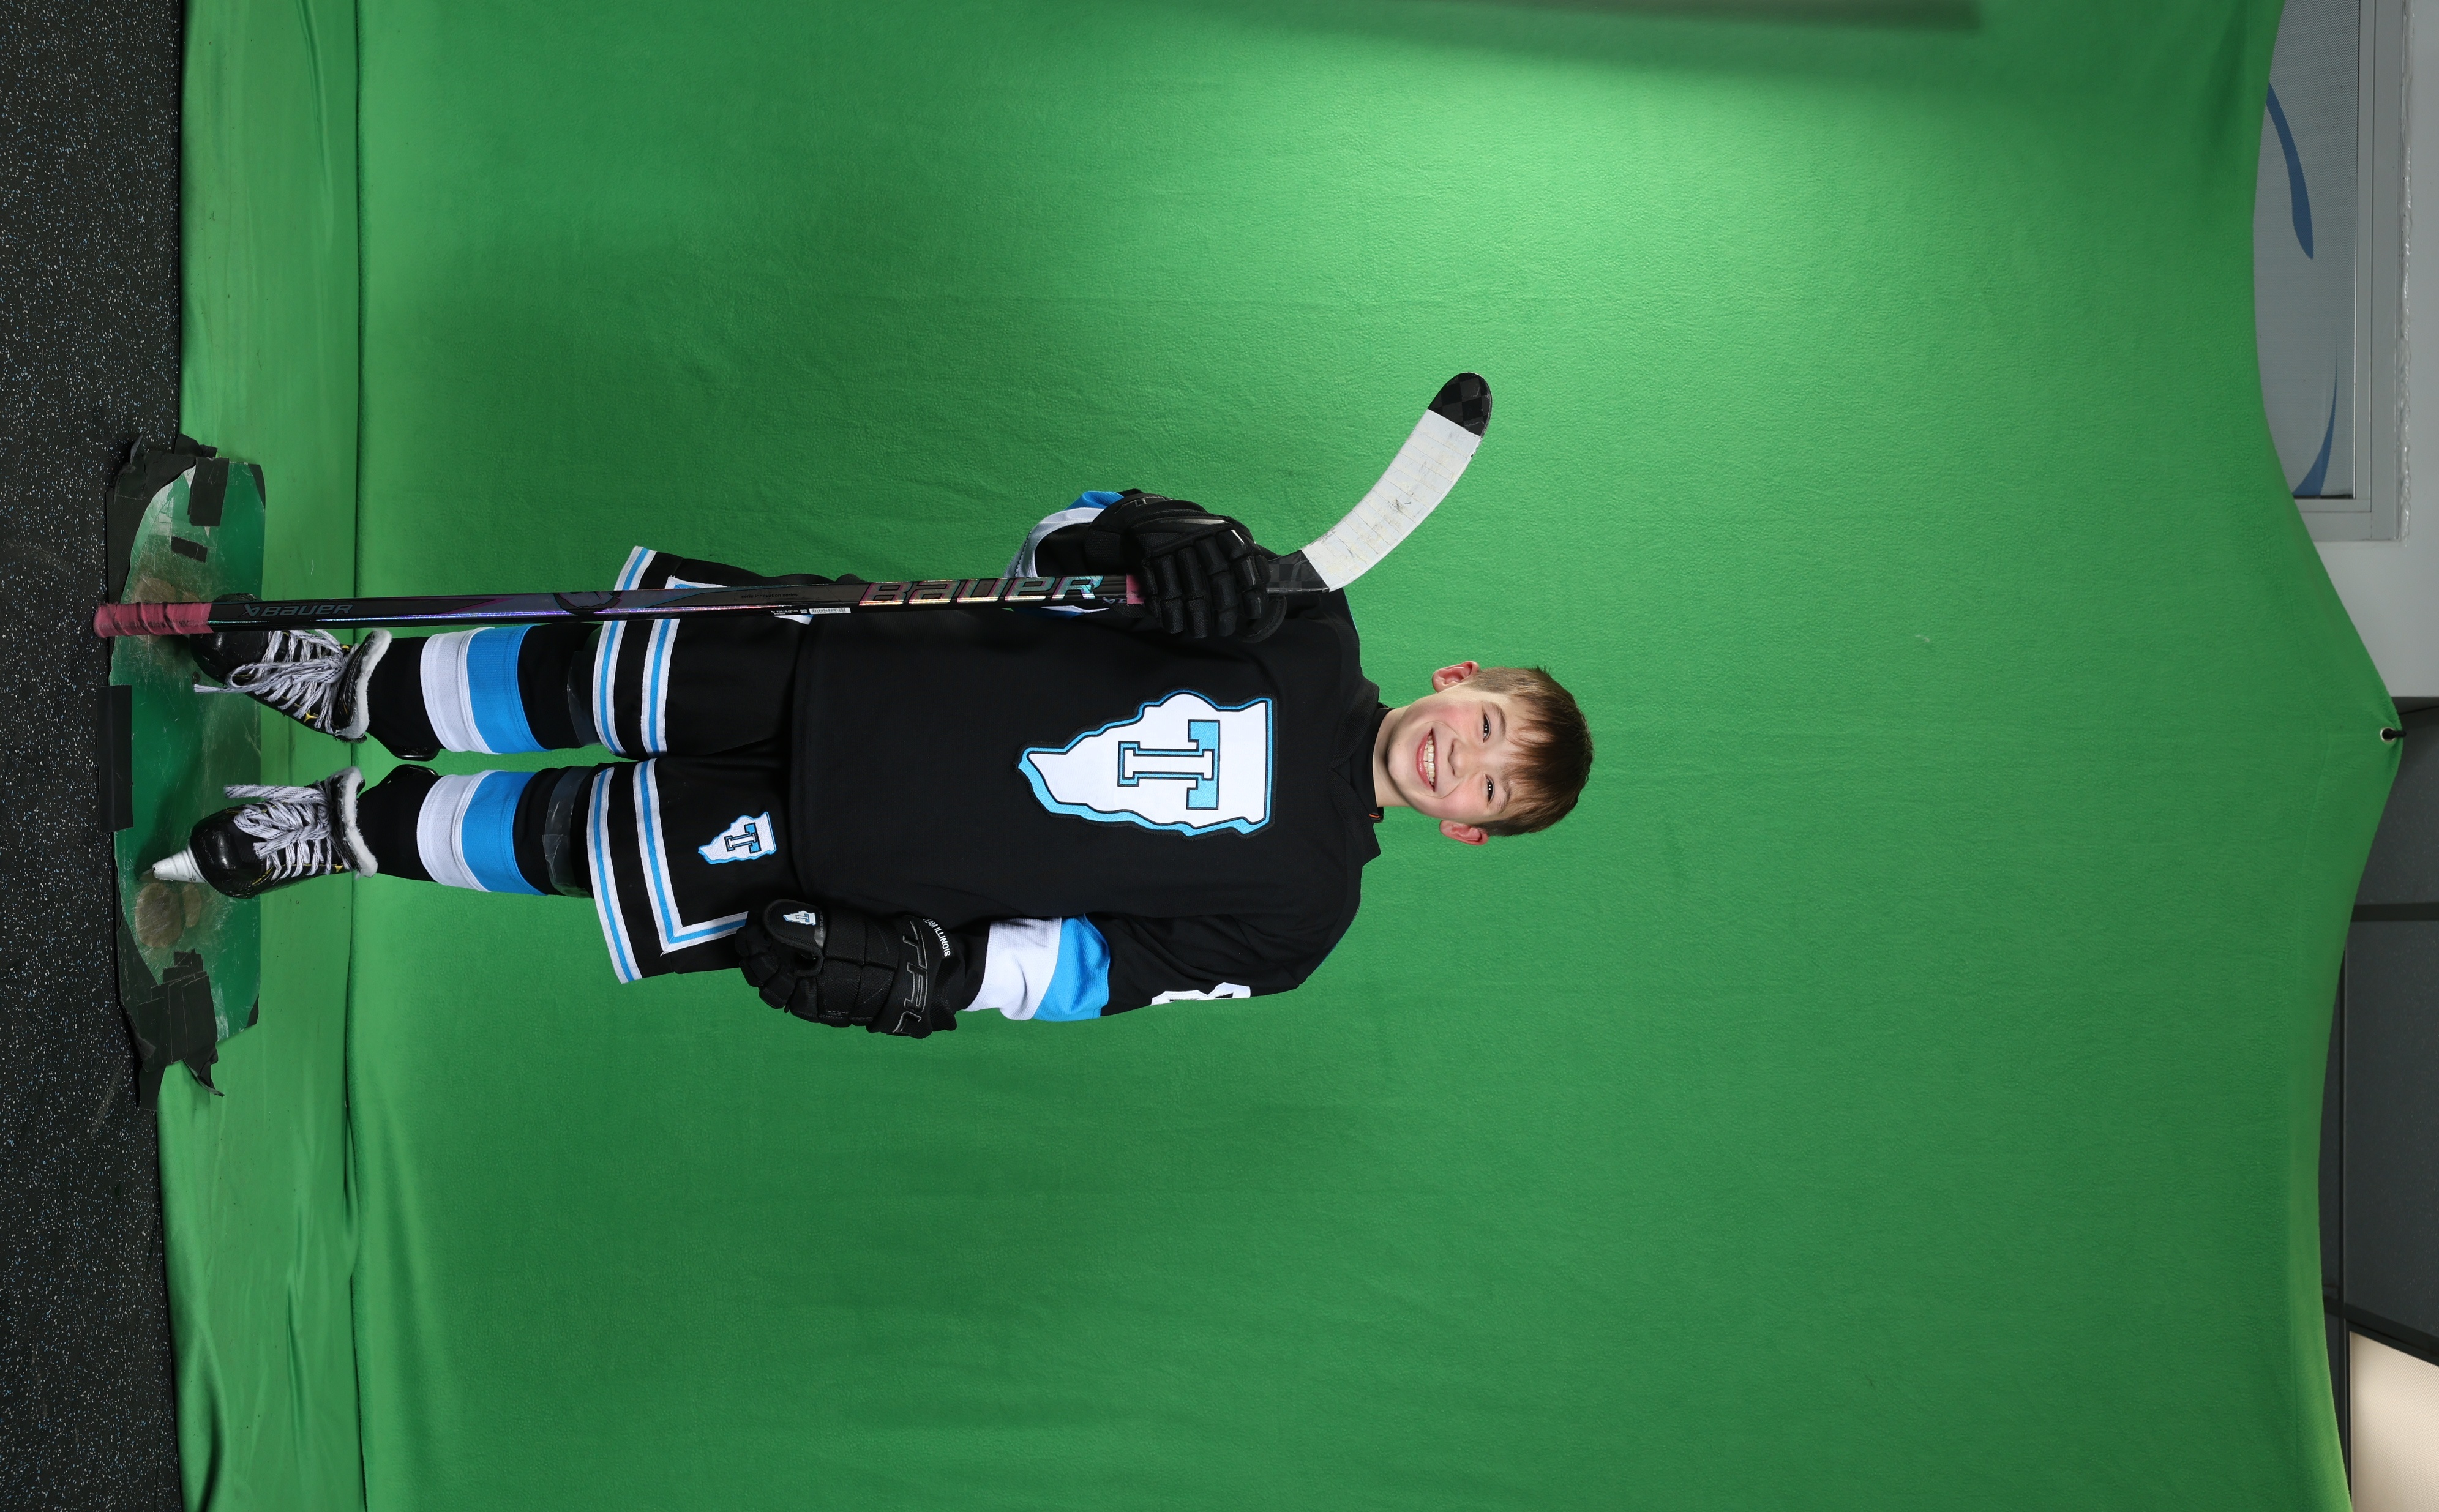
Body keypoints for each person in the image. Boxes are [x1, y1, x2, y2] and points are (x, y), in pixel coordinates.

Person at [152, 490, 1593, 1036]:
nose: (1459, 759)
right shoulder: (1299, 615)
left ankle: (345, 827)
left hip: (857, 847)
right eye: (1485, 724)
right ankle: (353, 684)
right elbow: (1056, 543)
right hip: (854, 660)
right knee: (568, 673)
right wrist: (1151, 536)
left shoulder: (1303, 918)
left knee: (570, 840)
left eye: (1487, 785)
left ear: (1467, 831)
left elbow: (1100, 966)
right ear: (1460, 678)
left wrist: (932, 976)